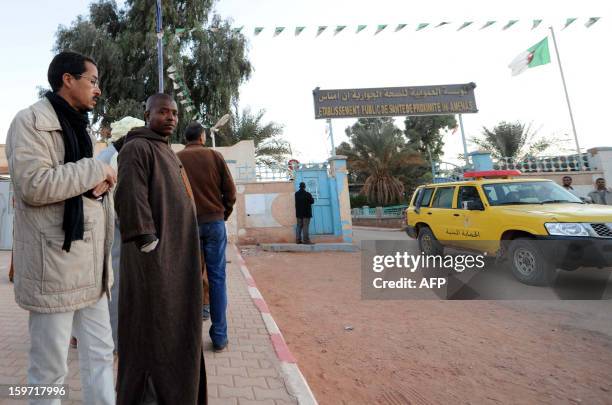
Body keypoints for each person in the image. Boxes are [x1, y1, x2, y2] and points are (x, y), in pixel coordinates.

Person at [6, 51, 117, 404]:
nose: (98, 89)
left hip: (91, 264)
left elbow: (77, 185)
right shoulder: (29, 123)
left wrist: (99, 190)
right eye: (93, 80)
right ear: (68, 79)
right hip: (53, 266)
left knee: (101, 355)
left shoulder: (79, 127)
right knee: (49, 369)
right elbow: (34, 185)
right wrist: (97, 171)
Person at [114, 94, 206, 404]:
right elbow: (130, 197)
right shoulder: (136, 148)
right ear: (147, 113)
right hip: (154, 262)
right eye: (163, 112)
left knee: (176, 328)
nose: (170, 118)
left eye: (175, 113)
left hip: (178, 260)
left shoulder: (166, 150)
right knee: (153, 330)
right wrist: (148, 241)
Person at [176, 122, 236, 352]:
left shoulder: (177, 158)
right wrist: (222, 214)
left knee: (188, 280)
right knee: (218, 279)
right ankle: (220, 337)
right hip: (214, 224)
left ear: (185, 138)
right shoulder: (215, 156)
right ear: (202, 136)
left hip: (189, 225)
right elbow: (230, 192)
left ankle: (189, 339)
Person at [96, 116, 144, 354]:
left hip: (108, 231)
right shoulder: (114, 158)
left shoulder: (105, 156)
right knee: (115, 286)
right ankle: (115, 343)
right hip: (113, 232)